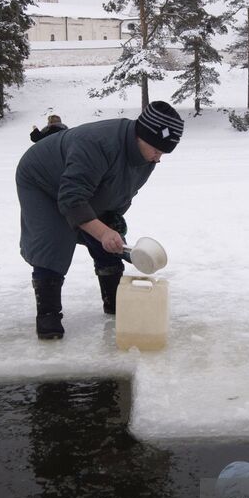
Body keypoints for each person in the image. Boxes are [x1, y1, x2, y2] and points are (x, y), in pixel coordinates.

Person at [16, 101, 184, 340]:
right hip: (41, 180)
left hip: (81, 186)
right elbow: (72, 198)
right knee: (54, 240)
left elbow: (121, 191)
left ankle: (113, 301)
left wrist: (111, 222)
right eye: (157, 151)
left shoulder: (146, 157)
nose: (159, 159)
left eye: (164, 153)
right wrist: (101, 231)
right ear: (140, 135)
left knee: (109, 240)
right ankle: (48, 314)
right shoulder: (97, 143)